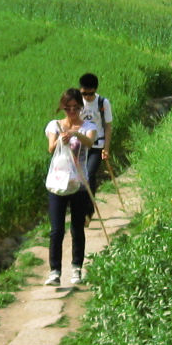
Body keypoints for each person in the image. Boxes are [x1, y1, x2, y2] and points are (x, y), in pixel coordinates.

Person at [44, 88, 97, 287]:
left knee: (77, 228)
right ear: (62, 107)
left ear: (81, 107)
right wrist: (61, 138)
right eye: (68, 108)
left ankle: (76, 269)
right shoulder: (54, 125)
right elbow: (50, 148)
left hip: (79, 184)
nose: (72, 111)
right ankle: (54, 271)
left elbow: (90, 142)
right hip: (57, 183)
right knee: (56, 229)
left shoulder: (87, 126)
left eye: (76, 107)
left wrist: (76, 134)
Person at [77, 72, 113, 208]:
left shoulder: (103, 103)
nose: (87, 97)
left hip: (97, 145)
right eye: (84, 94)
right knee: (80, 176)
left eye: (90, 94)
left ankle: (89, 208)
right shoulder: (77, 102)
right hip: (81, 144)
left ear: (95, 90)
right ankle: (83, 205)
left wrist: (107, 148)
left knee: (89, 173)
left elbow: (108, 126)